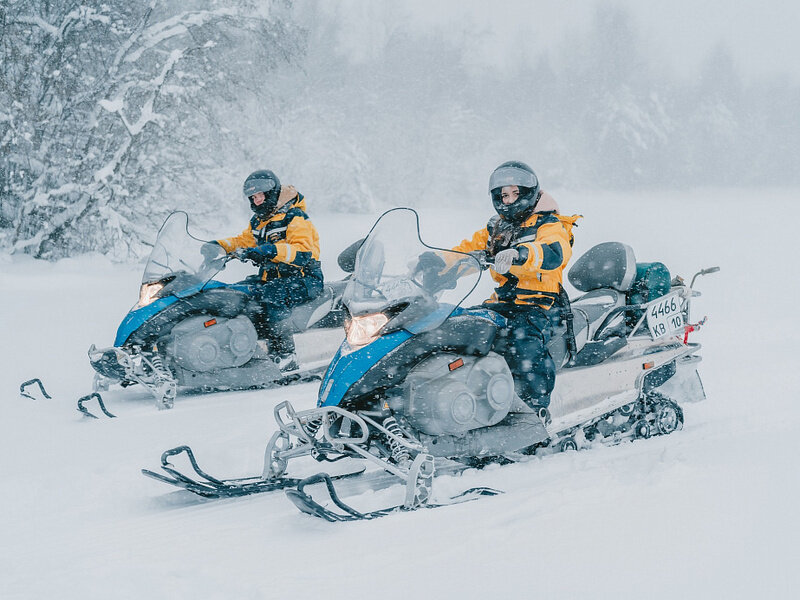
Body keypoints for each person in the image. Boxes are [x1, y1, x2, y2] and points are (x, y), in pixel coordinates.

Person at [450, 161, 581, 410]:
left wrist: (522, 253)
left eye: (515, 193)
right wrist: (436, 263)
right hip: (503, 302)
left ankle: (535, 408)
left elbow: (554, 250)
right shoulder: (496, 228)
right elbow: (465, 251)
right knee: (461, 326)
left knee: (524, 346)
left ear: (529, 193)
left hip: (540, 305)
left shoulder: (549, 224)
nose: (509, 200)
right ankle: (466, 401)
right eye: (504, 195)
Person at [201, 170, 323, 372]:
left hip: (303, 278)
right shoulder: (259, 221)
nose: (256, 201)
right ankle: (242, 348)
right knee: (234, 293)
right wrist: (219, 246)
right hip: (271, 278)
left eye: (259, 195)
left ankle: (285, 355)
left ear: (271, 193)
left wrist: (269, 250)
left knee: (273, 295)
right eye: (252, 197)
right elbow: (243, 241)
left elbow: (302, 252)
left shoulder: (295, 217)